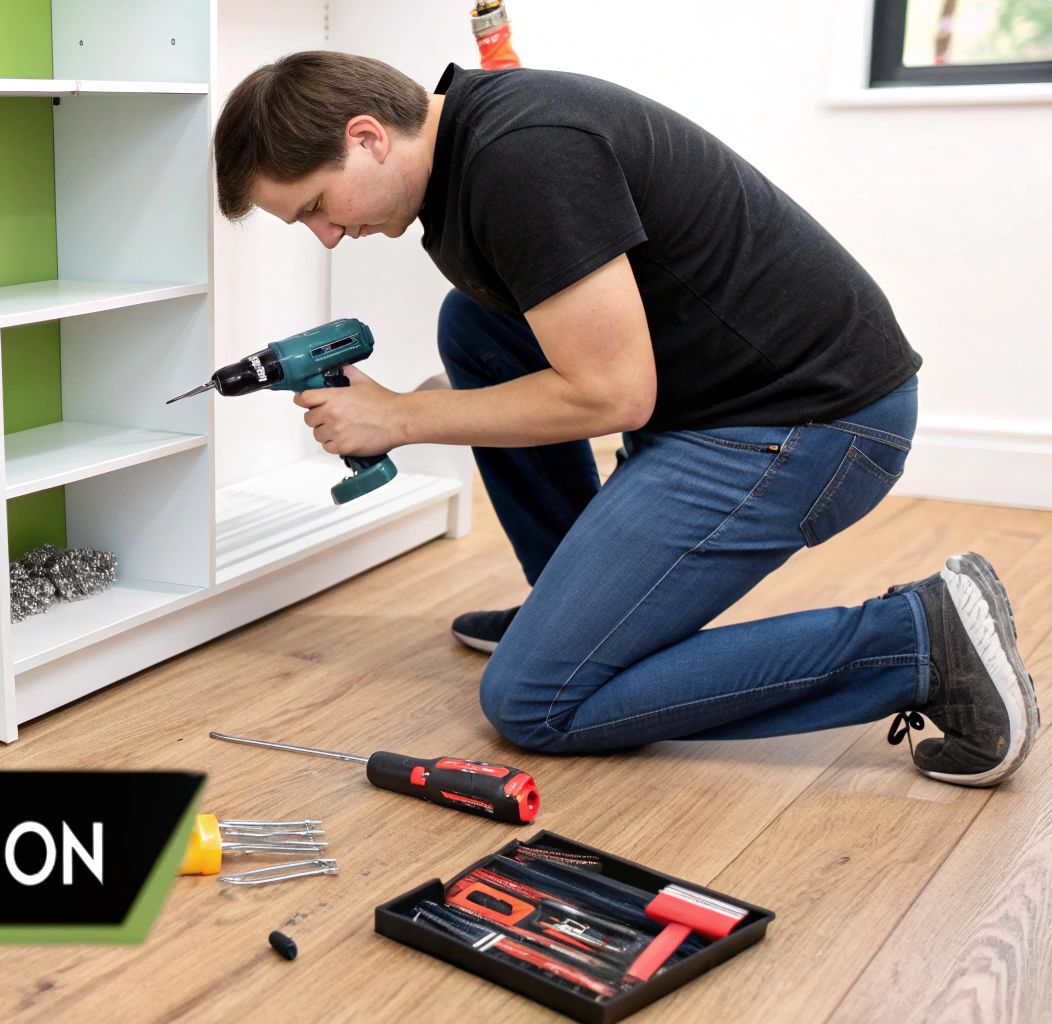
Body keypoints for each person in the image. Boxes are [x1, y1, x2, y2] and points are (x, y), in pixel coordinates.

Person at [212, 51, 1038, 785]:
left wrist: (400, 419)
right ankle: (574, 607)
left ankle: (917, 642)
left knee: (535, 701)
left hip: (811, 424)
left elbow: (613, 396)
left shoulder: (522, 158)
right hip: (728, 401)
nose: (327, 237)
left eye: (316, 206)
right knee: (477, 326)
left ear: (366, 137)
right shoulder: (473, 149)